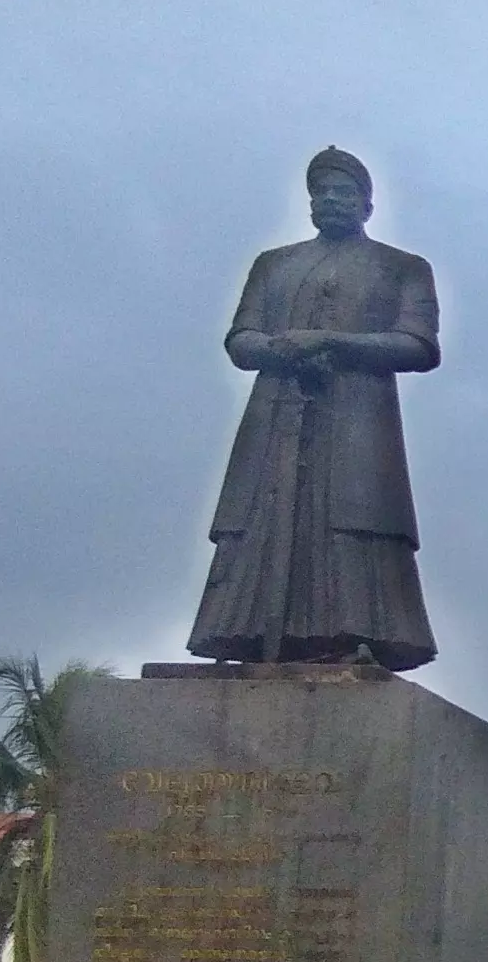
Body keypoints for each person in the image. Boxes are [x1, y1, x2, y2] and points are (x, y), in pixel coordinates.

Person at [187, 146, 441, 670]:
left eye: (343, 192)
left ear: (368, 205)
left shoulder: (402, 269)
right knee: (261, 512)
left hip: (360, 414)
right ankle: (245, 631)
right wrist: (281, 349)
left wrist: (334, 342)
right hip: (275, 410)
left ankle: (356, 631)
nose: (330, 199)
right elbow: (241, 339)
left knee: (356, 516)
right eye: (320, 192)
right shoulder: (274, 265)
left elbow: (418, 345)